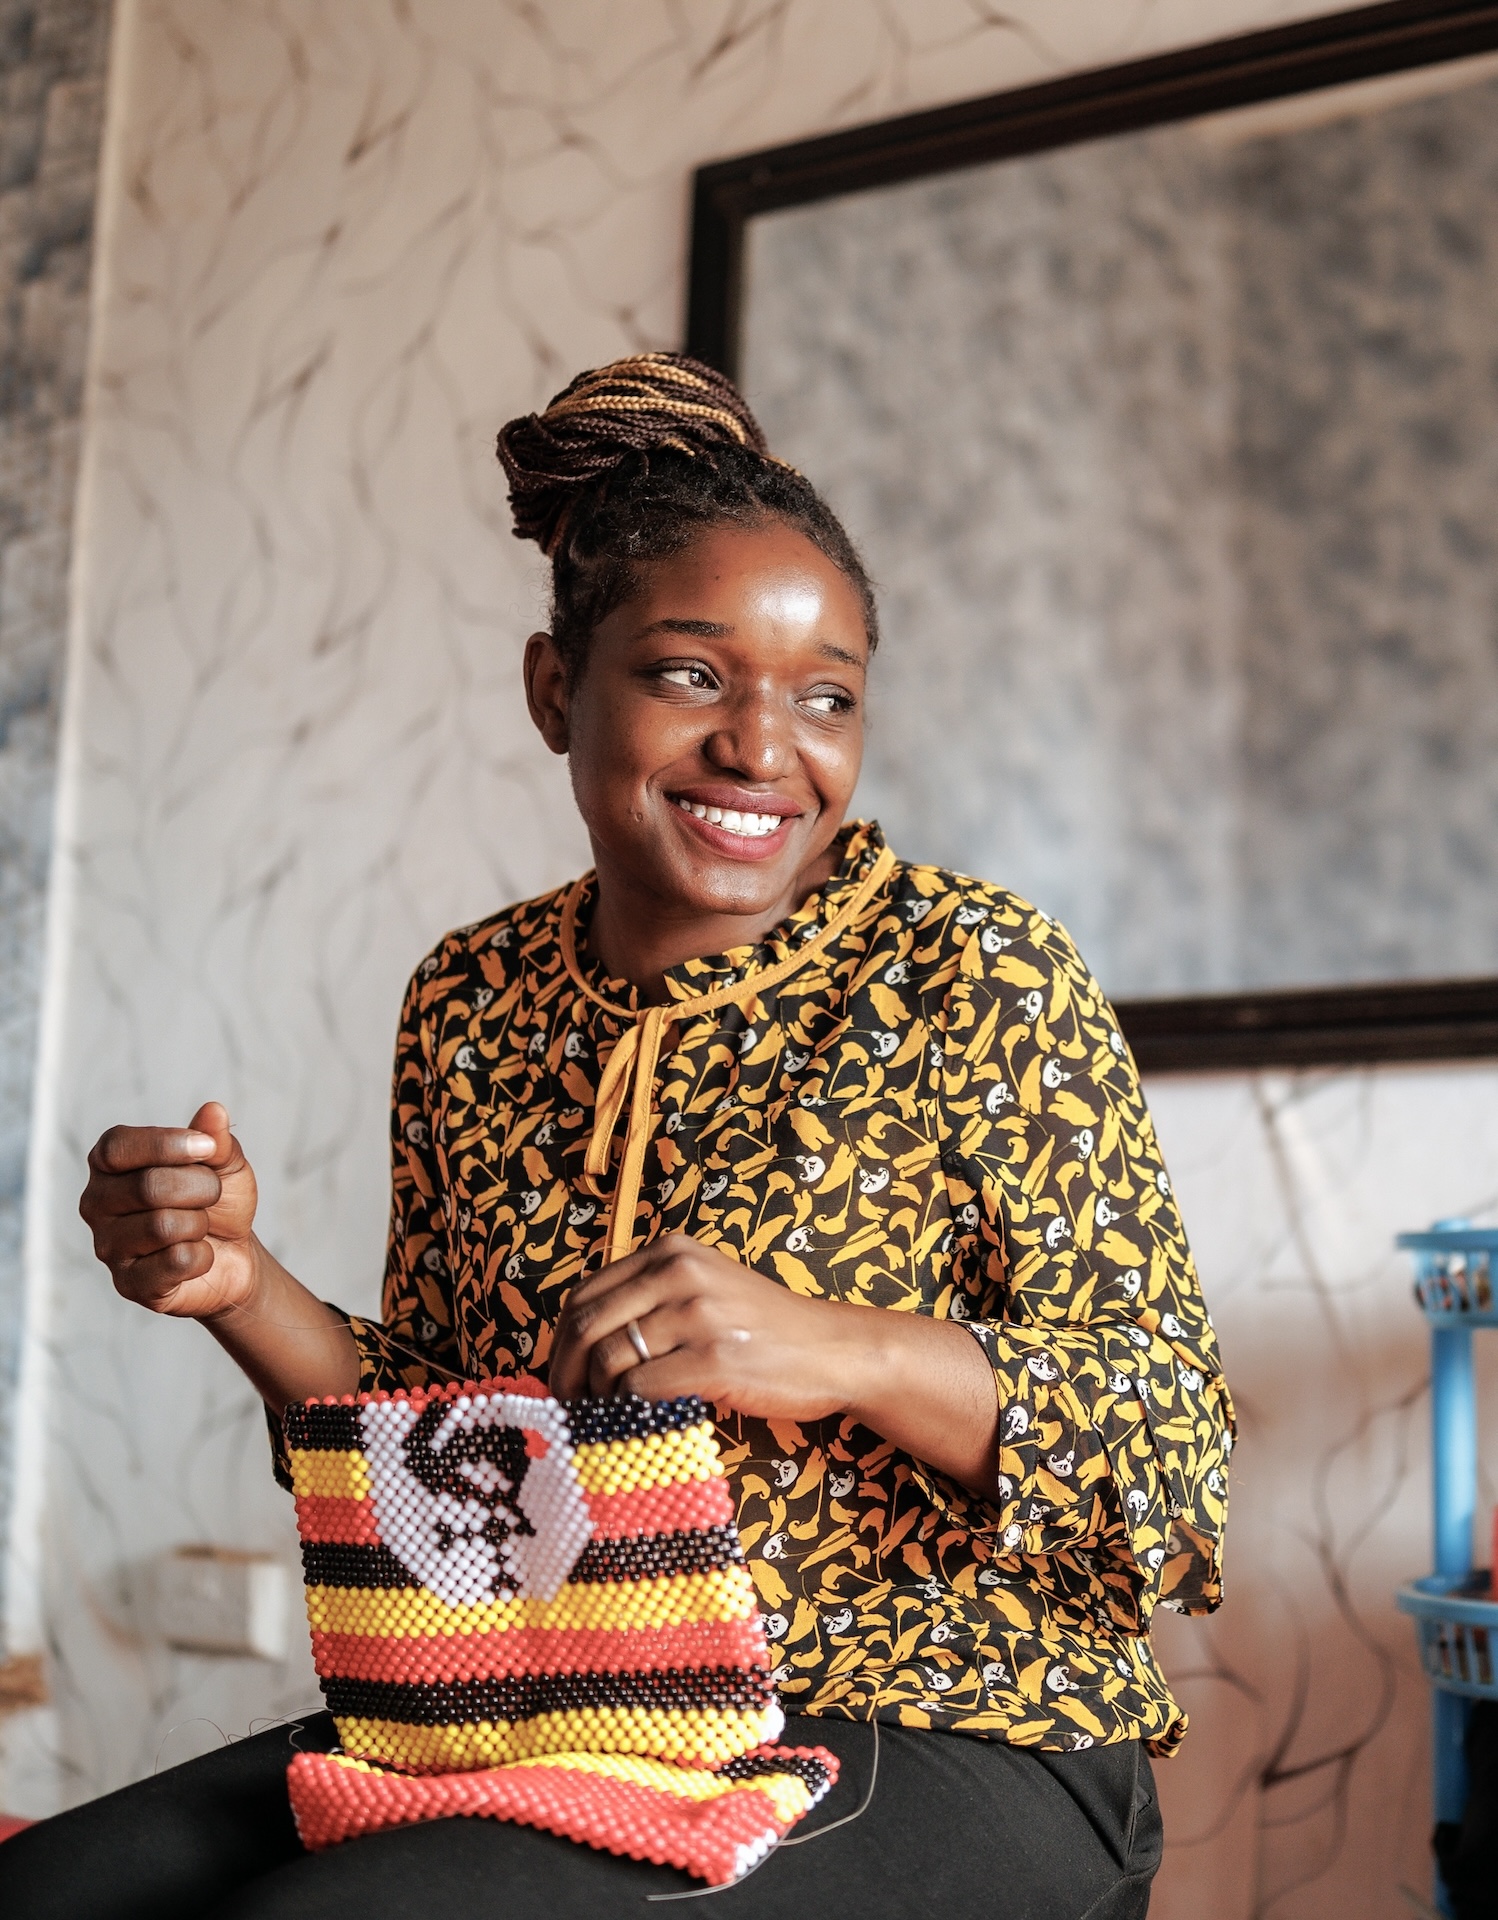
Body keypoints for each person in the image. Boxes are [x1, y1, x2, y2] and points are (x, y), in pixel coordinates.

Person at [4, 354, 1232, 1919]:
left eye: (826, 694)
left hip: (945, 1717)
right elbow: (454, 1458)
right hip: (558, 1706)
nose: (763, 747)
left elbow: (1173, 1455)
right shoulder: (470, 999)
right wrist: (238, 1283)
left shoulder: (969, 972)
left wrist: (838, 1347)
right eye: (691, 673)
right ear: (551, 689)